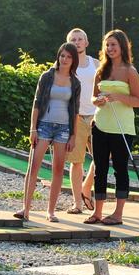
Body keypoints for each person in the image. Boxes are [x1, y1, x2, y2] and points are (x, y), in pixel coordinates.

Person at [16, 42, 81, 223]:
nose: (65, 59)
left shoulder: (75, 82)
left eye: (69, 56)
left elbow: (75, 111)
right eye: (62, 55)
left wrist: (73, 135)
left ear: (73, 59)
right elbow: (36, 104)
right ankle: (25, 209)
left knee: (58, 170)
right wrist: (33, 128)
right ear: (58, 56)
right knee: (33, 166)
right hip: (43, 125)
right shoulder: (47, 76)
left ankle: (51, 211)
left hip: (63, 129)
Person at [84, 30, 139, 225]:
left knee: (120, 170)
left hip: (122, 128)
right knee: (100, 169)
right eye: (107, 45)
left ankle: (118, 214)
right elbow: (92, 97)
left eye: (113, 45)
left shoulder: (130, 71)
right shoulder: (100, 71)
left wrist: (119, 97)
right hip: (100, 125)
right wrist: (97, 101)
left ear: (122, 47)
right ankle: (97, 212)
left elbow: (138, 101)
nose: (109, 49)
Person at [64, 28, 99, 214]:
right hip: (75, 117)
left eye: (80, 39)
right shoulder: (65, 63)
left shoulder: (96, 63)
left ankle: (87, 188)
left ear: (86, 42)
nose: (77, 42)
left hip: (96, 116)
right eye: (73, 39)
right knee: (76, 162)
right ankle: (77, 203)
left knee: (101, 158)